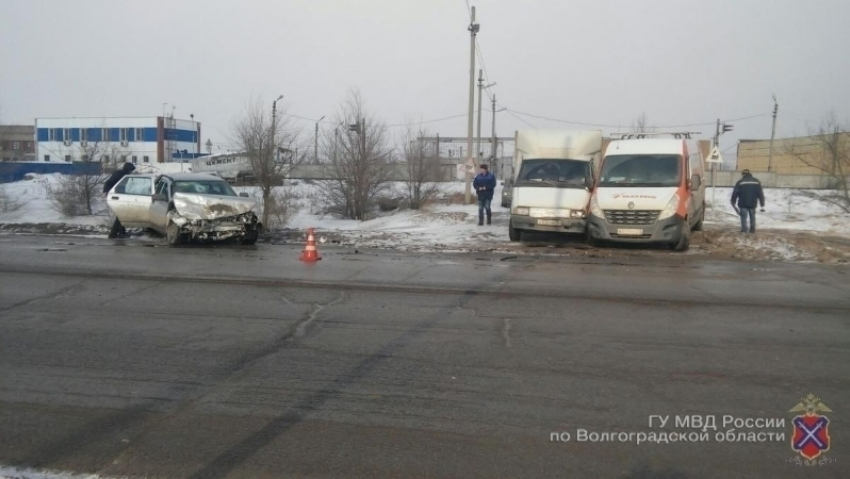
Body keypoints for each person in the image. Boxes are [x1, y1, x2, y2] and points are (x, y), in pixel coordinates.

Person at [103, 162, 136, 238]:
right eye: (130, 170)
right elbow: (115, 185)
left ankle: (122, 232)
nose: (131, 172)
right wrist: (108, 191)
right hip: (114, 195)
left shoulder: (122, 174)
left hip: (115, 195)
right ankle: (113, 234)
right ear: (127, 169)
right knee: (120, 215)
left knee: (121, 214)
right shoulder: (120, 175)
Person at [731, 169, 765, 233]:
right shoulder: (756, 181)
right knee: (752, 217)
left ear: (743, 174)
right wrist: (762, 204)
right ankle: (752, 229)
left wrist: (733, 201)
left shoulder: (740, 182)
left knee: (743, 217)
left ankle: (744, 230)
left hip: (743, 202)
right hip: (753, 203)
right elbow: (760, 193)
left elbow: (735, 192)